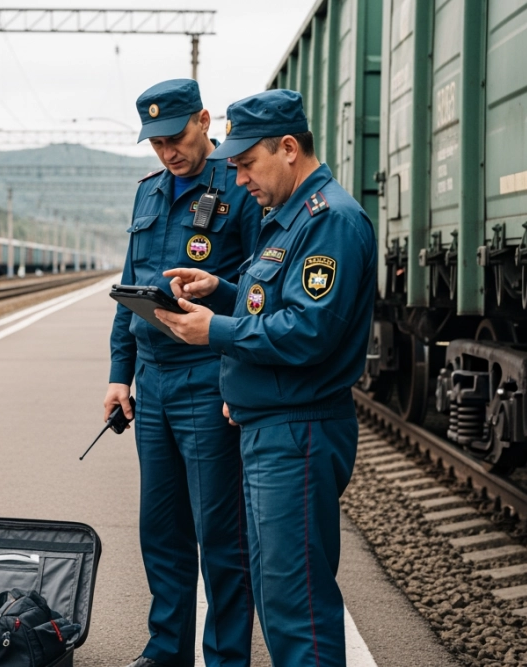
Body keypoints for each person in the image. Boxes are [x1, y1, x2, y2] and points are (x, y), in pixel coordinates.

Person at [155, 89, 377, 667]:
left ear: (287, 148)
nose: (239, 177)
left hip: (296, 435)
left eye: (247, 163)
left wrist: (216, 332)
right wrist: (223, 292)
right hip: (268, 430)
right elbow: (272, 302)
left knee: (296, 606)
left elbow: (308, 331)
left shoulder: (328, 221)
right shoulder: (288, 220)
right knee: (279, 598)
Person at [106, 78, 260, 667]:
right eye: (156, 143)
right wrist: (120, 375)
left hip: (208, 376)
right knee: (162, 530)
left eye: (175, 137)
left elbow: (257, 291)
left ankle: (224, 658)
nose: (168, 152)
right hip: (155, 380)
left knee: (220, 536)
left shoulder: (239, 188)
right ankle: (166, 651)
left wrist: (237, 371)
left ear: (203, 119)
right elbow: (129, 290)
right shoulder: (149, 194)